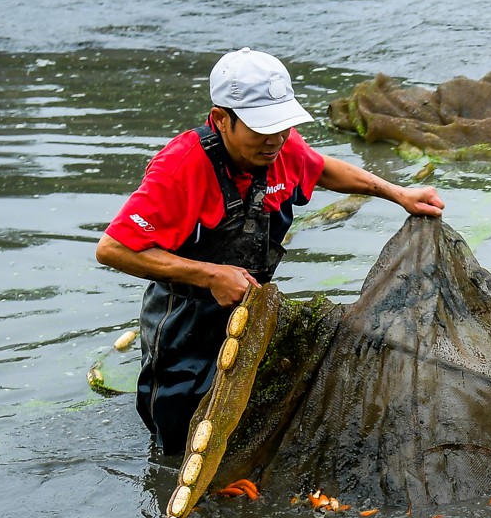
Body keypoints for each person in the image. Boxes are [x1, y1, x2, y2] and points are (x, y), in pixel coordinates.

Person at [97, 49, 445, 454]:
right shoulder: (181, 168)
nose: (276, 140)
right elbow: (113, 249)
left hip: (250, 306)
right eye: (263, 129)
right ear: (222, 118)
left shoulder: (281, 147)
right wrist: (211, 275)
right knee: (178, 434)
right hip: (184, 319)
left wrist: (399, 193)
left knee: (245, 414)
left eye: (283, 126)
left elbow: (322, 167)